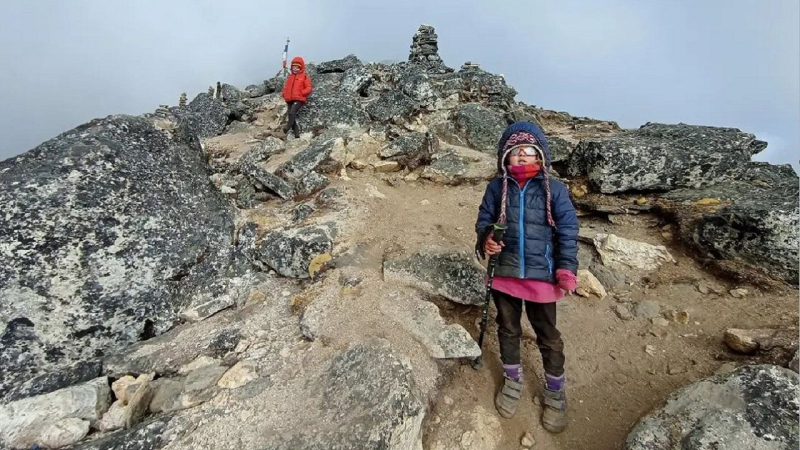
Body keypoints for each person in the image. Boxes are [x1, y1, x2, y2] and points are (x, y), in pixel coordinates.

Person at [474, 121, 579, 433]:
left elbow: (568, 232)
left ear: (541, 156)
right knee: (507, 328)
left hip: (542, 276)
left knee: (547, 334)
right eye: (515, 151)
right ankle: (512, 380)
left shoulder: (555, 190)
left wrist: (565, 269)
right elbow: (484, 222)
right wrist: (487, 239)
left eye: (529, 151)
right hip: (504, 273)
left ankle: (555, 390)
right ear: (504, 157)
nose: (521, 156)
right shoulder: (496, 188)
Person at [280, 56, 312, 138]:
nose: (295, 69)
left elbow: (309, 88)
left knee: (292, 112)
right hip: (289, 99)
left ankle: (287, 128)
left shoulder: (304, 76)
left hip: (299, 99)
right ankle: (297, 134)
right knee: (291, 116)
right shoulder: (290, 77)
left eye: (298, 67)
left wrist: (302, 93)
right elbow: (287, 87)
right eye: (294, 67)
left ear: (301, 68)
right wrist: (284, 93)